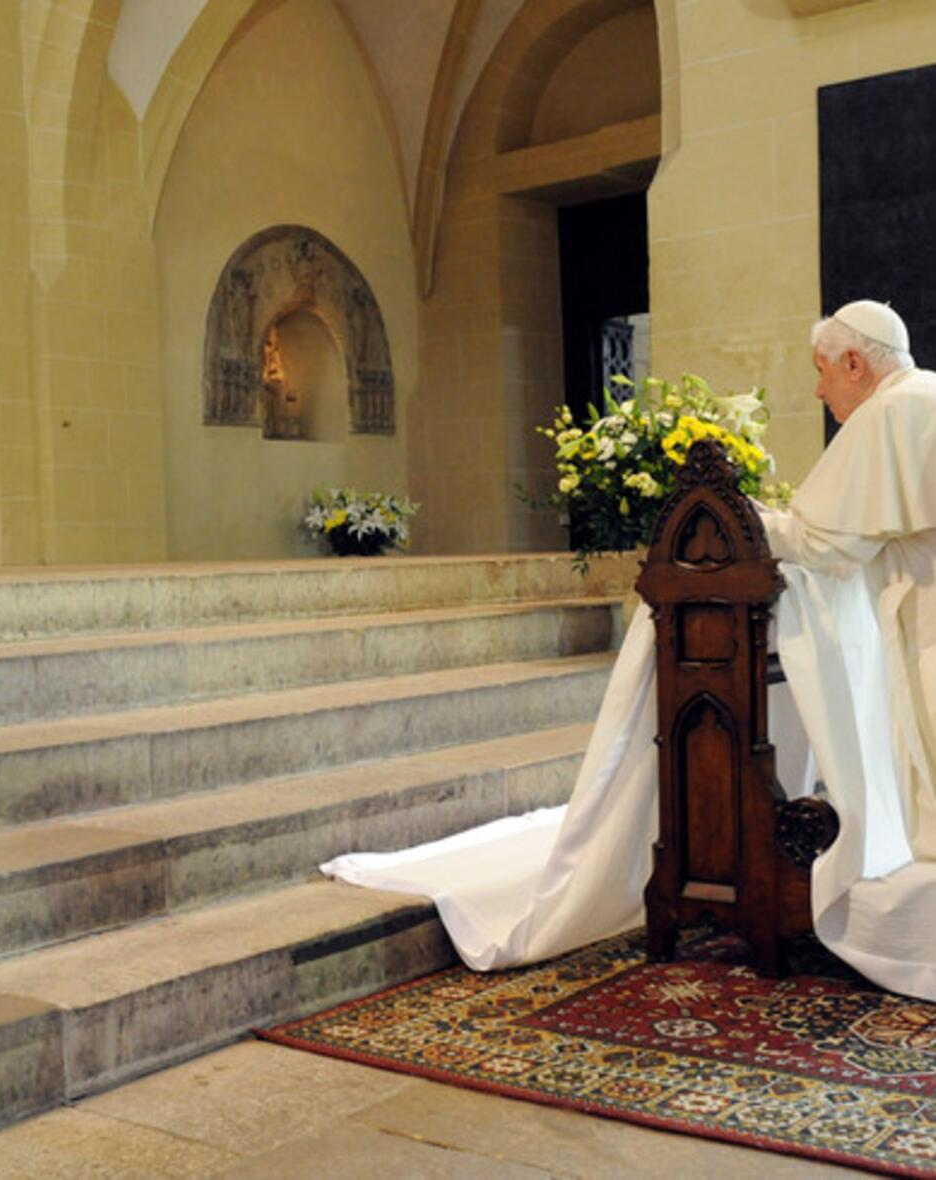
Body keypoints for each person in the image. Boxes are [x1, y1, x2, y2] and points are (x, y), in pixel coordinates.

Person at [324, 299, 936, 1001]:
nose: (822, 392)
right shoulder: (927, 395)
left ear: (856, 362)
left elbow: (827, 543)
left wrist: (744, 518)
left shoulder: (894, 412)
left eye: (824, 373)